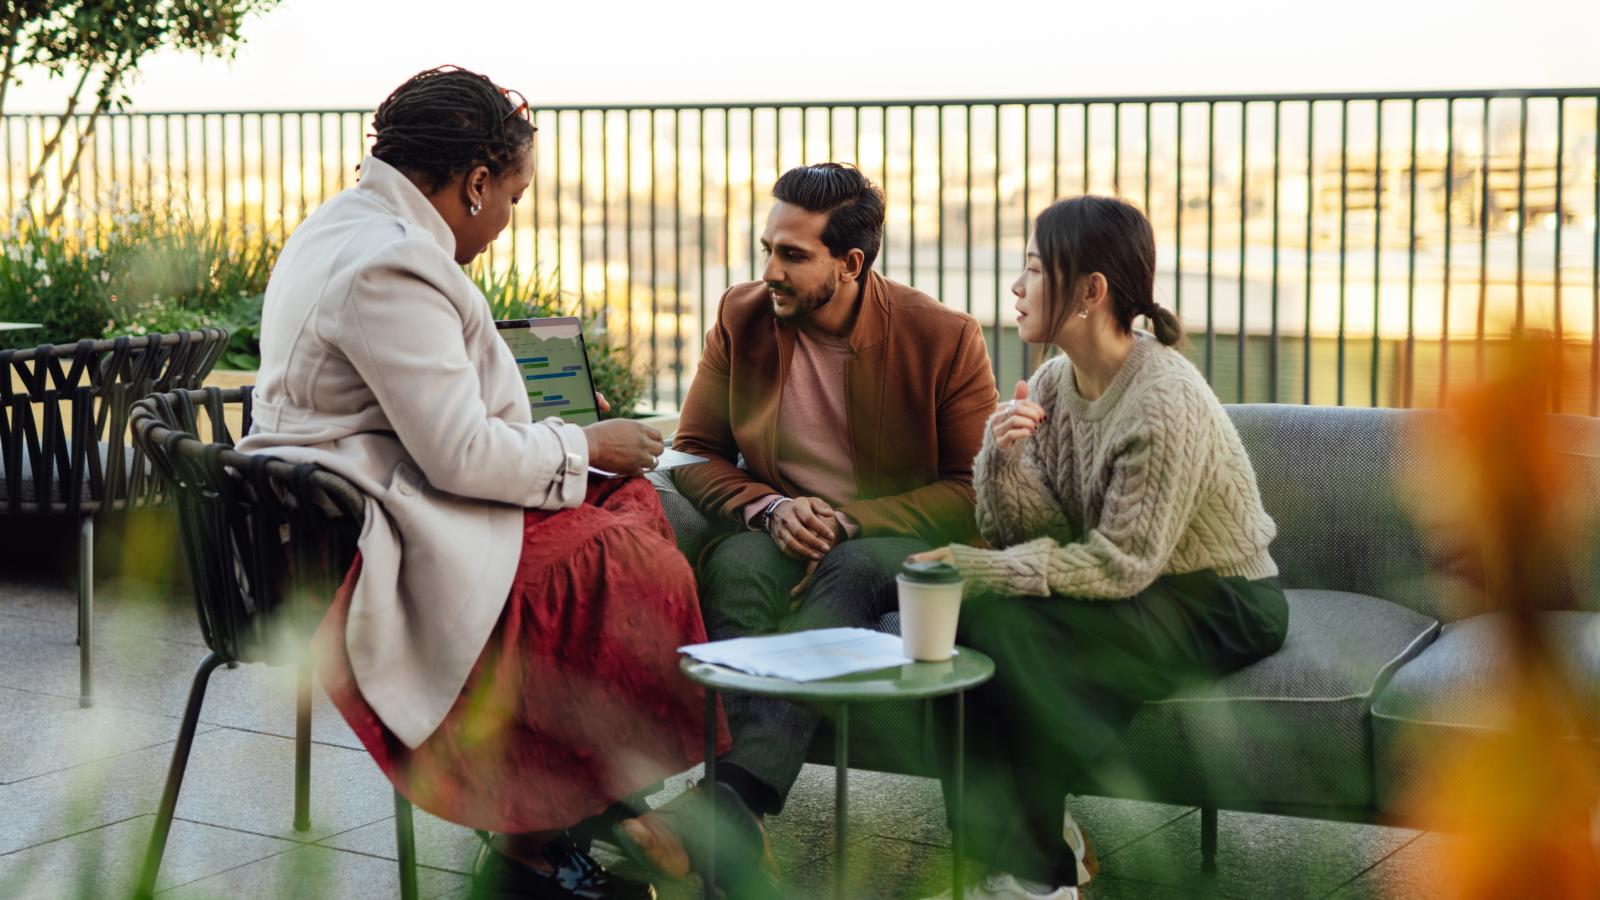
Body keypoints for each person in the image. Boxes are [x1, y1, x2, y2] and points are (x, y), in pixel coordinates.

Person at [238, 66, 723, 900]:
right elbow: (459, 454)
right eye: (513, 196)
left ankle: (584, 803)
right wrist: (586, 440)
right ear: (474, 183)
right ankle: (548, 837)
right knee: (609, 559)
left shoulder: (344, 226)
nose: (506, 220)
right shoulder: (390, 264)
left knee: (628, 505)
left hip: (349, 502)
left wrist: (570, 446)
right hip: (348, 545)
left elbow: (432, 419)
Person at [614, 164, 998, 888]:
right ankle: (736, 819)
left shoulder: (942, 338)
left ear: (850, 264)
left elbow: (975, 489)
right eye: (768, 248)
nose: (770, 272)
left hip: (893, 540)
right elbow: (692, 450)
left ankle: (726, 805)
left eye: (792, 255)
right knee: (737, 564)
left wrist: (848, 521)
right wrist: (773, 508)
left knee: (850, 568)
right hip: (779, 528)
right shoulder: (743, 315)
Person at [908, 196, 1289, 900]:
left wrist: (977, 569)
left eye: (1032, 270)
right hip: (1137, 583)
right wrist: (1001, 456)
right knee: (968, 625)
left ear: (1090, 291)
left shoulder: (1162, 399)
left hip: (1221, 597)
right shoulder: (1055, 381)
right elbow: (1033, 536)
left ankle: (1040, 877)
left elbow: (1120, 564)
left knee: (1017, 633)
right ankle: (1001, 857)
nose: (1016, 289)